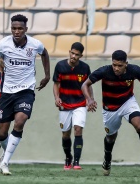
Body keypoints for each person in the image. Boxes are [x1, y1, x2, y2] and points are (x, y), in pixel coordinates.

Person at [0, 14, 50, 175]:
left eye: (20, 28)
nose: (16, 31)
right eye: (14, 28)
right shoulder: (3, 44)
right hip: (7, 93)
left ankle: (5, 162)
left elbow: (45, 54)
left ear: (26, 29)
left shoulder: (35, 44)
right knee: (1, 133)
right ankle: (4, 158)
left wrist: (47, 75)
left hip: (26, 91)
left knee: (20, 122)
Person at [81, 50, 140, 175]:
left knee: (139, 126)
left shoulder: (134, 71)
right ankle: (107, 159)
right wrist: (89, 99)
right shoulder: (104, 71)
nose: (116, 68)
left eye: (120, 65)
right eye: (114, 65)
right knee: (111, 137)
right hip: (110, 108)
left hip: (127, 102)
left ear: (126, 64)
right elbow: (85, 84)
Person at [53, 42, 95, 170]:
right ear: (69, 52)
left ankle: (76, 162)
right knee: (65, 134)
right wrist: (57, 98)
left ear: (81, 56)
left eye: (77, 54)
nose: (74, 56)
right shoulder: (60, 66)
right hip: (65, 104)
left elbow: (88, 85)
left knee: (78, 129)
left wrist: (90, 100)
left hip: (80, 103)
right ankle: (68, 158)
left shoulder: (85, 68)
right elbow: (56, 84)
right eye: (72, 53)